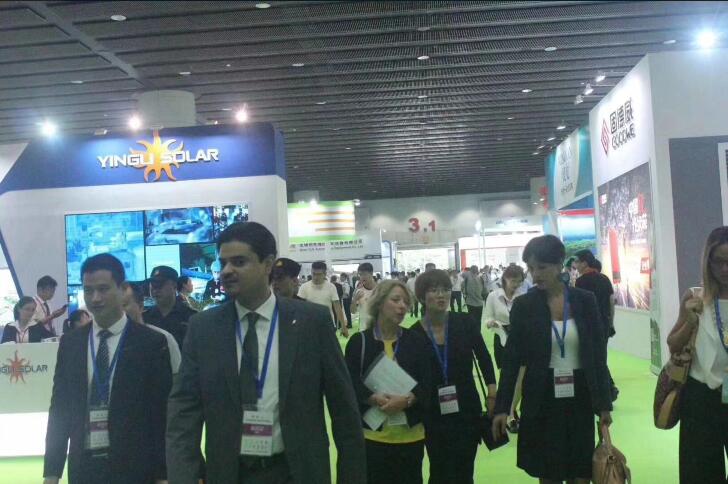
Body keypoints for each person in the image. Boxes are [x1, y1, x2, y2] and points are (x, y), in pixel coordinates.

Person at [166, 222, 366, 484]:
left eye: (239, 262)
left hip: (296, 472)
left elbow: (343, 409)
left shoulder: (311, 322)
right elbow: (184, 413)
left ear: (268, 264)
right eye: (223, 263)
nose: (227, 271)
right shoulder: (204, 328)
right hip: (229, 473)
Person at [492, 235, 612, 484]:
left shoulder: (585, 301)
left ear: (559, 265)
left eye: (542, 267)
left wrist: (604, 404)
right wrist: (502, 407)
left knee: (581, 473)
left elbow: (598, 357)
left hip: (580, 396)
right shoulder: (525, 306)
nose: (535, 275)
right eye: (530, 268)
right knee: (549, 473)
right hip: (542, 398)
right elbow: (512, 360)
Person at [43, 254, 172, 484]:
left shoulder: (150, 343)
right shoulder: (71, 343)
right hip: (84, 468)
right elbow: (60, 409)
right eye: (88, 290)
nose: (95, 298)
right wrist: (52, 472)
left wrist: (162, 474)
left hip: (135, 468)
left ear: (122, 289)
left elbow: (160, 413)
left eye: (103, 289)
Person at [412, 269, 497, 484]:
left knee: (465, 470)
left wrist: (492, 392)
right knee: (439, 470)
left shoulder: (465, 322)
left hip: (467, 409)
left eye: (445, 289)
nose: (441, 295)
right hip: (432, 412)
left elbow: (483, 357)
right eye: (434, 290)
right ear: (421, 297)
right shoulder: (413, 334)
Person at [344, 280, 431, 484]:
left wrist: (408, 400)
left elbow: (428, 382)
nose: (402, 306)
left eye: (405, 302)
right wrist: (372, 398)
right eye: (396, 300)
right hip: (372, 437)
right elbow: (348, 384)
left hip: (411, 437)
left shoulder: (416, 340)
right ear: (380, 303)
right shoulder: (359, 342)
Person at [667, 227, 728, 484]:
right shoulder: (695, 297)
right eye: (718, 261)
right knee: (701, 474)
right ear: (708, 261)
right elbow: (673, 344)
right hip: (701, 398)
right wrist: (690, 322)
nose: (725, 269)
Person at [483, 264, 526, 432]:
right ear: (505, 279)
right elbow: (487, 318)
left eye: (519, 281)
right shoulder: (493, 296)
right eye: (513, 280)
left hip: (520, 341)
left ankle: (512, 411)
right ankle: (506, 414)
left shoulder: (523, 297)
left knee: (520, 379)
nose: (516, 284)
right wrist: (492, 323)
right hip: (501, 339)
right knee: (506, 378)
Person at [123, 283, 182, 374]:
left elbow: (176, 377)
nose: (119, 311)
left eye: (124, 305)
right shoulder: (108, 340)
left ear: (140, 306)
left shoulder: (163, 339)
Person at [144, 265, 197, 348]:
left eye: (160, 284)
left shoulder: (190, 317)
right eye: (153, 284)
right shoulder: (144, 318)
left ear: (174, 286)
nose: (155, 289)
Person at [297, 261, 349, 337]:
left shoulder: (331, 287)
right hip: (309, 327)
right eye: (313, 274)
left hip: (328, 325)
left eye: (319, 274)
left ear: (325, 274)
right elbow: (299, 308)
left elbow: (337, 307)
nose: (315, 277)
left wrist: (343, 326)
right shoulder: (304, 287)